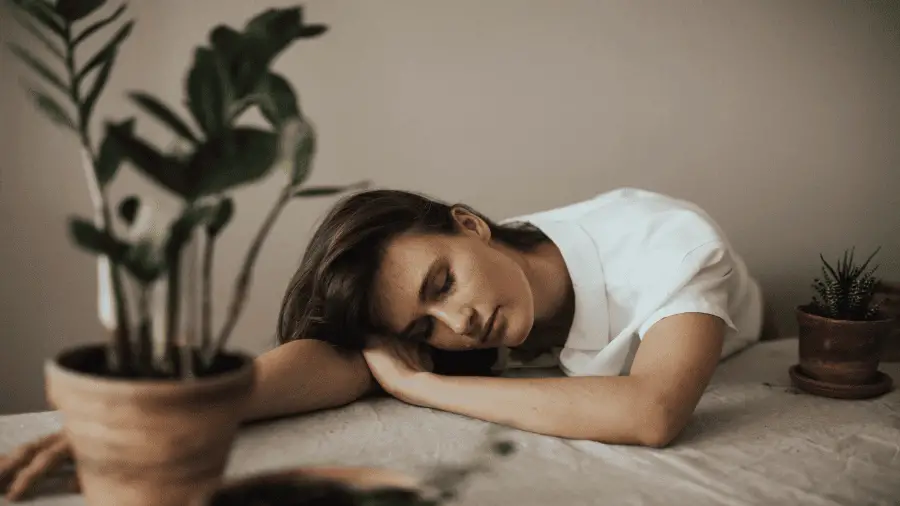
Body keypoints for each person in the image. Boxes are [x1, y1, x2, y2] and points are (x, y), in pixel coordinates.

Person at [0, 186, 764, 500]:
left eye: (442, 284)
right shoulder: (475, 301)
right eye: (422, 330)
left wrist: (422, 386)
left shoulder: (667, 241)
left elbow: (653, 411)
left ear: (469, 224)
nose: (456, 324)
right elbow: (337, 359)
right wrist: (156, 417)